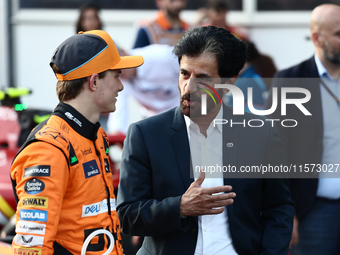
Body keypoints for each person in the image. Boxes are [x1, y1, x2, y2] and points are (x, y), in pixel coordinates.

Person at [117, 26, 294, 255]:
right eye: (184, 74)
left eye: (202, 78)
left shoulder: (261, 134)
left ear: (229, 82)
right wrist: (180, 207)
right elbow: (128, 216)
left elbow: (279, 208)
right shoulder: (145, 135)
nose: (189, 88)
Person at [10, 30, 144, 254]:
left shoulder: (94, 134)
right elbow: (32, 246)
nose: (121, 86)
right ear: (94, 82)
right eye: (117, 75)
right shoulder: (48, 149)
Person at [266, 4, 340, 255]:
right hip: (313, 212)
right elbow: (273, 152)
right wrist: (285, 212)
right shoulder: (290, 81)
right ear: (318, 38)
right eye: (339, 33)